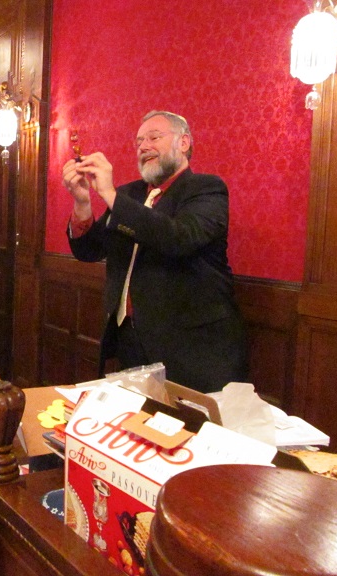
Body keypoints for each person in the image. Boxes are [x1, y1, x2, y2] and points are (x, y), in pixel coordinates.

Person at [62, 110, 248, 393]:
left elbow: (178, 238)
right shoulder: (130, 194)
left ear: (183, 142)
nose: (144, 146)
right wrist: (82, 202)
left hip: (190, 349)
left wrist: (109, 194)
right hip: (129, 340)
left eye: (154, 137)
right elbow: (89, 250)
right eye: (139, 141)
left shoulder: (206, 189)